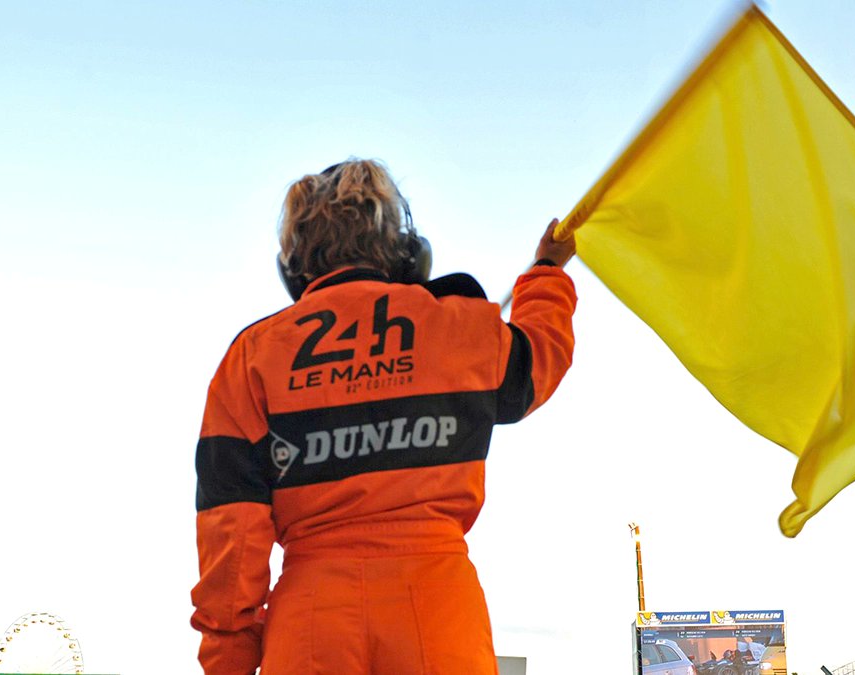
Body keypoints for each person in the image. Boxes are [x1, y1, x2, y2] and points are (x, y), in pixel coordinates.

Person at [189, 159, 578, 674]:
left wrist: (229, 663)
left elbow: (230, 529)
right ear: (403, 250)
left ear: (293, 262)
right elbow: (538, 360)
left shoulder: (253, 355)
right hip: (439, 610)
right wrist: (546, 274)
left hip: (310, 619)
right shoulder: (458, 323)